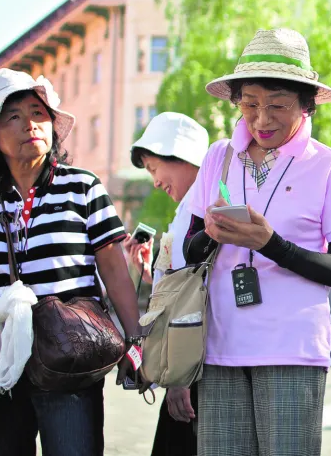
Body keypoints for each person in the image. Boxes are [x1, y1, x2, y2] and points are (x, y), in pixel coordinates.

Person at [0, 69, 142, 456]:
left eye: (39, 113)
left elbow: (113, 269)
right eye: (14, 116)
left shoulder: (83, 187)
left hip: (70, 358)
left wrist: (136, 340)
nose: (31, 124)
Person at [182, 28, 331, 456]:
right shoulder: (218, 157)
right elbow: (189, 249)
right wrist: (211, 236)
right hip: (220, 346)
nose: (261, 119)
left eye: (277, 106)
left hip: (293, 348)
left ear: (306, 105)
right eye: (250, 105)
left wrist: (270, 244)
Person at [125, 111, 210, 456]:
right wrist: (149, 272)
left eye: (154, 168)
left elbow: (192, 301)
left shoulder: (201, 210)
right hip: (190, 367)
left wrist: (179, 380)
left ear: (182, 157)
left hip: (193, 370)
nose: (155, 181)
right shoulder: (187, 209)